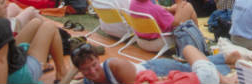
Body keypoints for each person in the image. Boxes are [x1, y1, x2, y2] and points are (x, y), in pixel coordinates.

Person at [0, 0, 69, 84]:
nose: (7, 5)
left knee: (36, 22)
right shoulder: (1, 25)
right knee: (49, 26)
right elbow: (0, 61)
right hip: (19, 76)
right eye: (2, 3)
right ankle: (62, 72)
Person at [71, 43, 239, 84]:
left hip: (156, 70)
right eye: (86, 70)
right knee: (193, 68)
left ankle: (225, 65)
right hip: (150, 70)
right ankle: (224, 59)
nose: (92, 71)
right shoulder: (88, 79)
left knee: (191, 72)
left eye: (93, 65)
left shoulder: (115, 66)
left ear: (98, 60)